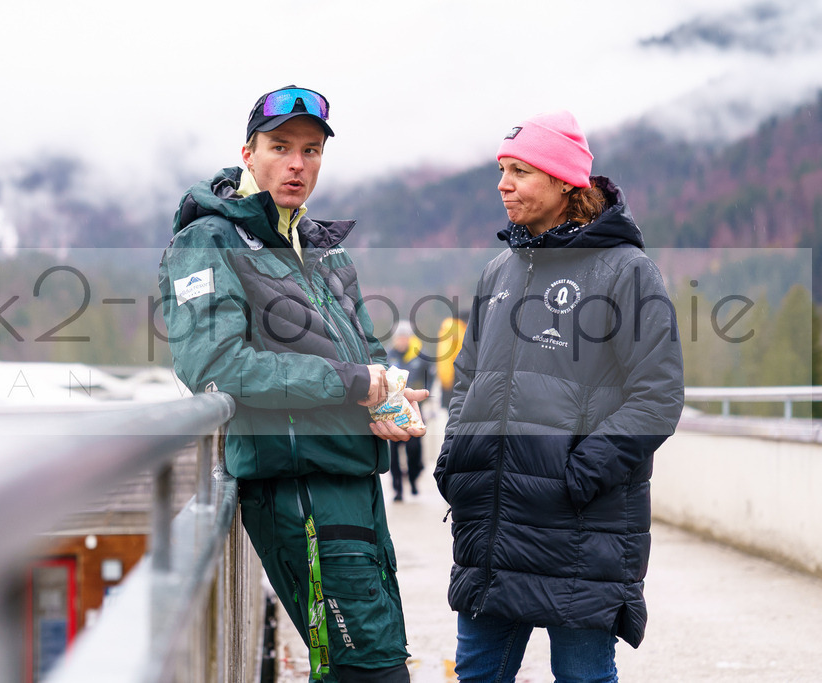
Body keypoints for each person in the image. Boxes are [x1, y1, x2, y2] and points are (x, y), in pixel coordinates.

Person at [158, 86, 427, 682]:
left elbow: (364, 350)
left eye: (311, 150)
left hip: (353, 480)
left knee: (364, 660)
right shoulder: (209, 241)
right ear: (248, 153)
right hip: (298, 492)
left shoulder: (323, 250)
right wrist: (351, 384)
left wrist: (385, 391)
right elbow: (216, 366)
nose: (297, 163)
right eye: (280, 147)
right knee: (368, 669)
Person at [434, 110, 684, 682]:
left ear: (564, 182)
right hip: (492, 520)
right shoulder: (498, 271)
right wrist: (457, 458)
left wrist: (582, 472)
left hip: (579, 526)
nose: (503, 184)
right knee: (477, 675)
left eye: (520, 171)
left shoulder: (626, 271)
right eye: (502, 169)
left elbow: (658, 395)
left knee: (581, 676)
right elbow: (467, 378)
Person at [385, 321, 433, 501]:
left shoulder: (420, 355)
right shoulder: (388, 355)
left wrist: (425, 395)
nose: (402, 340)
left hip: (414, 410)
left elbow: (431, 375)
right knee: (394, 451)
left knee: (414, 449)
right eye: (399, 337)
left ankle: (413, 477)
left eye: (405, 337)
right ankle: (397, 488)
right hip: (393, 410)